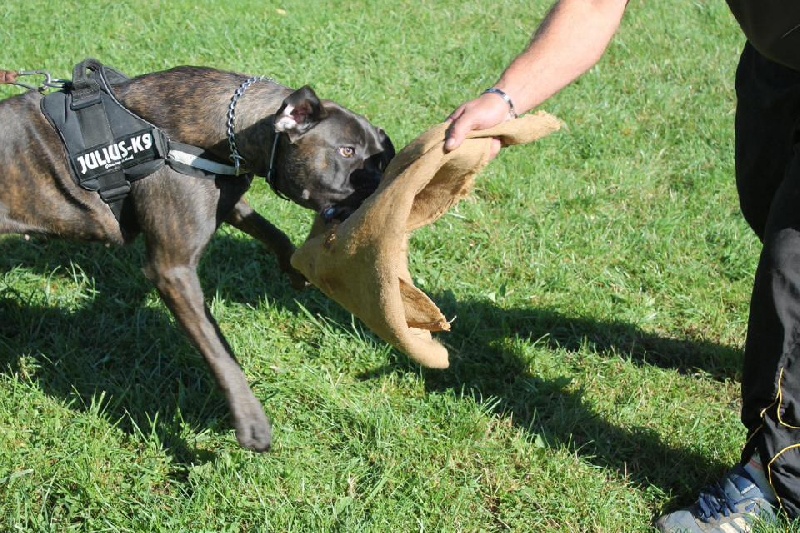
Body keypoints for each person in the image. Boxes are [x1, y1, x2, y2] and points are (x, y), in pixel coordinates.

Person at [445, 1, 800, 531]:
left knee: (791, 264)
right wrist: (506, 98)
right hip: (782, 60)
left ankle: (777, 476)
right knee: (766, 203)